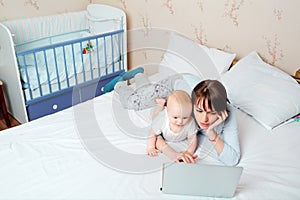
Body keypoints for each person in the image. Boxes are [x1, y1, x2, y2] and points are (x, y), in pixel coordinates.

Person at [186, 79, 240, 166]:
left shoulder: (229, 112)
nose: (204, 119)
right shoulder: (187, 105)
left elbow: (232, 160)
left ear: (222, 111)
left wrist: (211, 132)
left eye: (212, 113)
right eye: (199, 111)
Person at [146, 90, 198, 163]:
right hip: (162, 131)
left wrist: (189, 152)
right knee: (155, 117)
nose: (180, 122)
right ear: (167, 111)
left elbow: (192, 139)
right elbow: (152, 133)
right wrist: (150, 147)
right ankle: (160, 104)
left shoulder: (190, 121)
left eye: (185, 118)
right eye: (175, 118)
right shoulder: (162, 119)